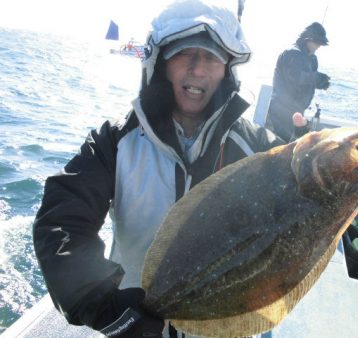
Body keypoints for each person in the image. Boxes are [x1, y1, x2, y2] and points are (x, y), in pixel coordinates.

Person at [33, 1, 286, 337]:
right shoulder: (114, 142)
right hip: (136, 328)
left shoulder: (263, 151)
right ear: (161, 63)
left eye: (212, 57)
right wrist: (106, 307)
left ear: (228, 69)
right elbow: (62, 221)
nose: (198, 69)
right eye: (184, 53)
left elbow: (298, 214)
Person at [266, 22, 330, 142]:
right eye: (316, 43)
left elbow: (306, 79)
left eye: (320, 44)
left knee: (291, 145)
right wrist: (316, 78)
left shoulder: (311, 58)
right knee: (278, 145)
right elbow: (295, 77)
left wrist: (320, 83)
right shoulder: (292, 53)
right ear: (307, 40)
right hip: (281, 112)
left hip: (297, 111)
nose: (318, 46)